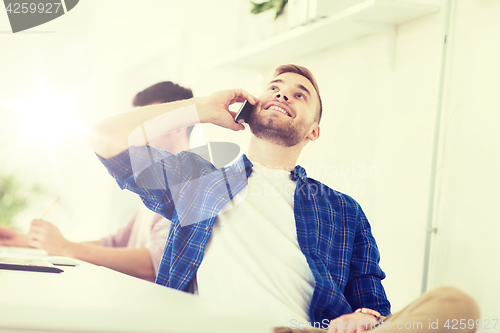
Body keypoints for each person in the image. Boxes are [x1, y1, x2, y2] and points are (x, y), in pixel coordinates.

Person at [88, 65, 480, 332]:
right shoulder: (198, 180)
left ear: (313, 132)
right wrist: (201, 109)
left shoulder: (342, 210)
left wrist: (363, 316)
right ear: (252, 108)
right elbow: (104, 139)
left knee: (456, 306)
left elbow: (371, 300)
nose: (282, 95)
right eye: (274, 89)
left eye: (299, 95)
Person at [0, 81, 194, 282]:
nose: (135, 134)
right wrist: (36, 242)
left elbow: (156, 264)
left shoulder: (190, 184)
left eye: (146, 124)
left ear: (178, 127)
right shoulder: (161, 182)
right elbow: (116, 243)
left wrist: (66, 248)